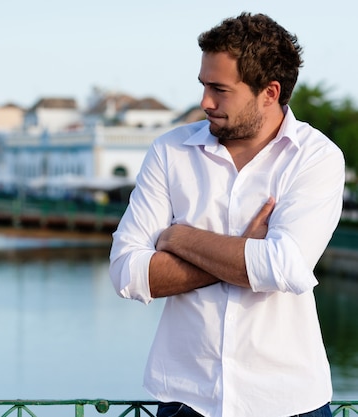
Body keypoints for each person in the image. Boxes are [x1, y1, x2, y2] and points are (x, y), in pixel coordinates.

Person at [109, 12, 345, 417]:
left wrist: (178, 239)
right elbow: (127, 273)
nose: (204, 102)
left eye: (219, 90)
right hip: (185, 400)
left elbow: (284, 268)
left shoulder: (317, 158)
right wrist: (242, 256)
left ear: (269, 92)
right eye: (203, 86)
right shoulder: (170, 151)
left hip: (288, 403)